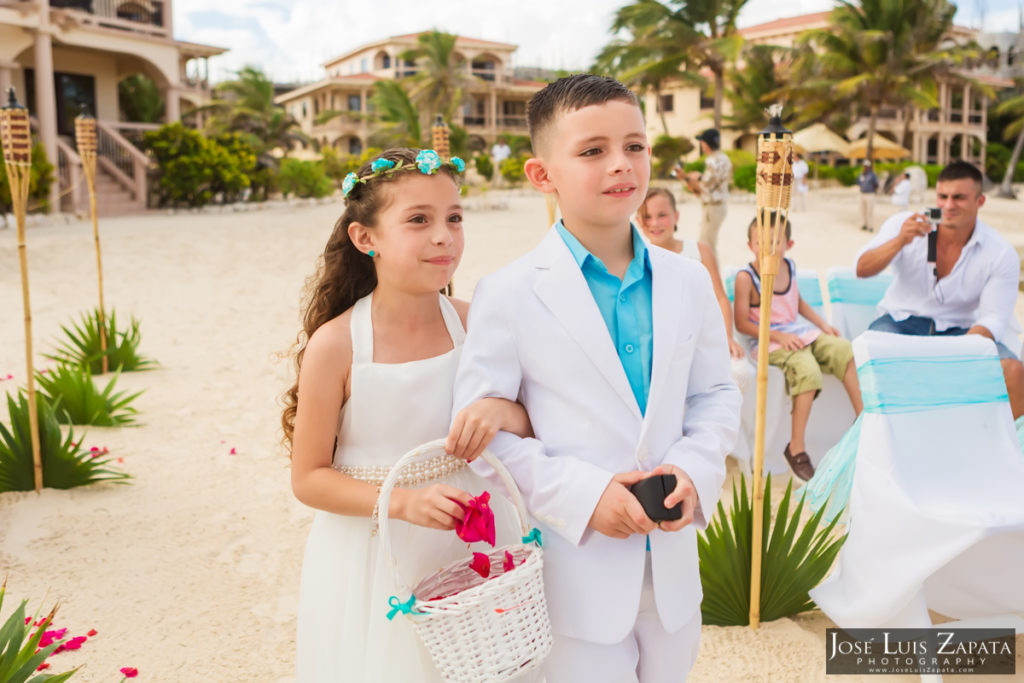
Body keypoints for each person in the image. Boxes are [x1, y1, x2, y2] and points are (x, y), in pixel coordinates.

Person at [453, 74, 741, 682]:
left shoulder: (686, 279)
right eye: (592, 151)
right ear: (542, 175)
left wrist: (694, 468)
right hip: (573, 578)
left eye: (634, 146)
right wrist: (585, 498)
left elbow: (714, 393)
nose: (621, 165)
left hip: (674, 571)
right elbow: (486, 440)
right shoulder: (506, 293)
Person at [284, 148, 532, 682]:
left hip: (476, 540)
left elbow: (535, 422)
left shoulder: (478, 325)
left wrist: (504, 413)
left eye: (454, 218)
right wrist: (402, 501)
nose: (443, 236)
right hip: (376, 553)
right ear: (364, 238)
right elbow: (308, 479)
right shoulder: (336, 346)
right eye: (418, 220)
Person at [856, 160, 1024, 419]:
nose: (947, 205)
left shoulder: (1000, 252)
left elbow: (993, 319)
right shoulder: (903, 223)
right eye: (942, 196)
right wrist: (900, 240)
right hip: (901, 322)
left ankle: (1010, 453)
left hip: (962, 330)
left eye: (958, 198)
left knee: (1013, 370)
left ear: (980, 202)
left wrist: (952, 356)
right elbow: (862, 269)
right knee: (873, 358)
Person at [733, 215, 864, 481]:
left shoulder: (789, 267)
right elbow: (742, 322)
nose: (768, 249)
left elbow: (799, 301)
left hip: (800, 333)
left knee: (845, 350)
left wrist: (822, 323)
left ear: (789, 244)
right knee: (809, 372)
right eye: (761, 243)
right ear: (750, 245)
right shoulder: (747, 278)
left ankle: (863, 423)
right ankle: (796, 448)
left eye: (775, 242)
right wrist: (778, 336)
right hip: (769, 341)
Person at [682, 128, 731, 257]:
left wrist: (686, 178)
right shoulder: (723, 158)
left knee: (707, 248)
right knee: (709, 245)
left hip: (713, 208)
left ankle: (711, 276)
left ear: (706, 143)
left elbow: (705, 187)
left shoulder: (714, 160)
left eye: (702, 142)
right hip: (717, 208)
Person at [857, 160, 879, 231]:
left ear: (869, 167)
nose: (865, 167)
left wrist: (874, 191)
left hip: (870, 194)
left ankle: (870, 226)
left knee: (870, 211)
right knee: (863, 210)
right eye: (864, 166)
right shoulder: (861, 175)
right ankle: (864, 224)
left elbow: (876, 184)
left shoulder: (872, 175)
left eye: (866, 166)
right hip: (862, 194)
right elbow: (859, 183)